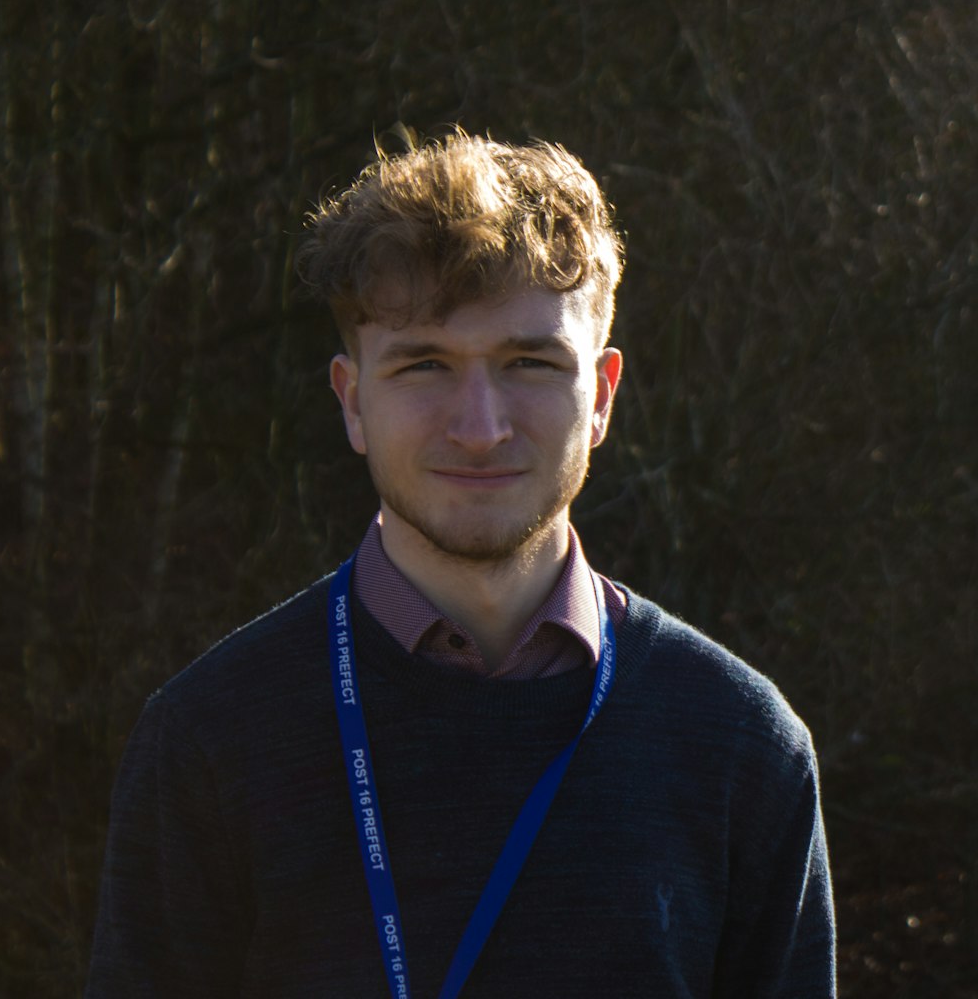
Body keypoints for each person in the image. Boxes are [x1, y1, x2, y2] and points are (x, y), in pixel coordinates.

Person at [86, 132, 836, 998]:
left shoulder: (742, 745)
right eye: (425, 364)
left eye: (529, 363)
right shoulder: (208, 740)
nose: (480, 427)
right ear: (353, 401)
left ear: (600, 396)